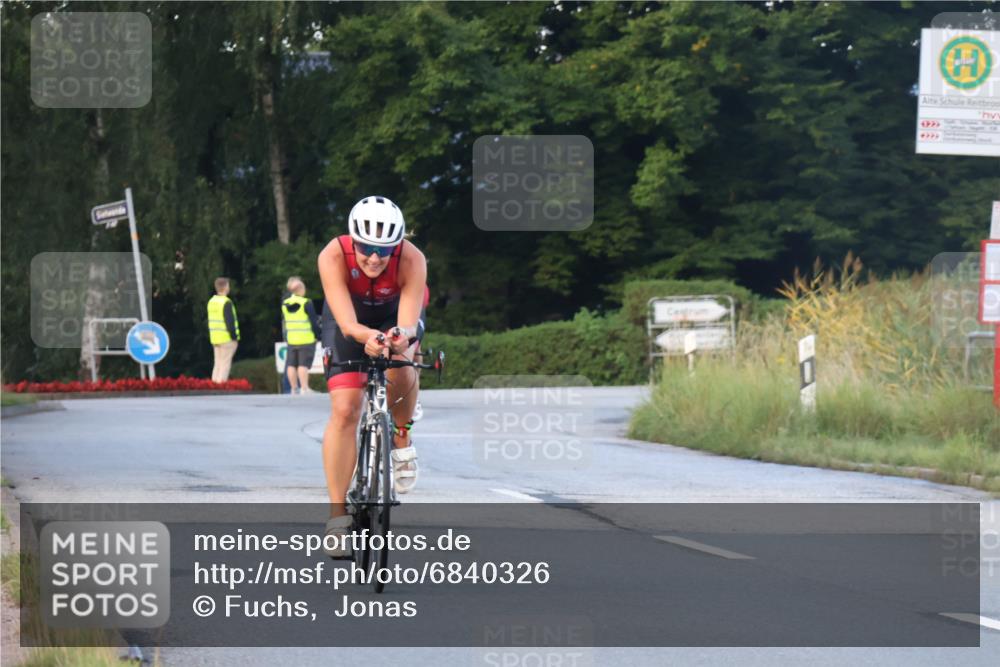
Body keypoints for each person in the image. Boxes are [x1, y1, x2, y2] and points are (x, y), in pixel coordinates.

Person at [317, 195, 429, 556]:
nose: (375, 258)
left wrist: (400, 337)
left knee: (404, 363)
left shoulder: (412, 259)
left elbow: (408, 324)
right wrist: (366, 337)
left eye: (384, 250)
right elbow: (347, 325)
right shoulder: (333, 255)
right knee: (345, 410)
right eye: (366, 248)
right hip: (350, 320)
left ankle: (401, 436)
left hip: (395, 316)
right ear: (353, 241)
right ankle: (337, 518)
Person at [282, 276, 322, 394]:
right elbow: (313, 322)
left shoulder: (285, 304)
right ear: (300, 289)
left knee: (291, 364)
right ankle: (305, 388)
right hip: (306, 339)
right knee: (303, 364)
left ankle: (294, 388)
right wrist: (318, 335)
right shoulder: (306, 302)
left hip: (291, 339)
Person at [207, 277, 240, 383]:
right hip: (227, 338)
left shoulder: (211, 302)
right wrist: (234, 337)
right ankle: (221, 386)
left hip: (215, 338)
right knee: (225, 363)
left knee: (218, 363)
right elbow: (229, 322)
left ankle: (213, 385)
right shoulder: (226, 302)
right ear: (225, 287)